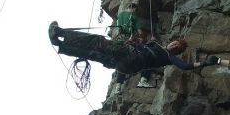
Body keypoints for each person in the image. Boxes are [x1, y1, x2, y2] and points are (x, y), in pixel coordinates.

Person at [48, 21, 213, 79]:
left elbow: (185, 66)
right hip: (125, 66)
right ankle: (61, 45)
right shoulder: (157, 48)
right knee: (93, 54)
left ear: (175, 51)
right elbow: (144, 46)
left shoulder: (169, 57)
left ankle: (60, 33)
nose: (174, 46)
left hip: (130, 57)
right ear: (172, 42)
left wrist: (205, 63)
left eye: (177, 48)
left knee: (97, 41)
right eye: (175, 43)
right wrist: (138, 43)